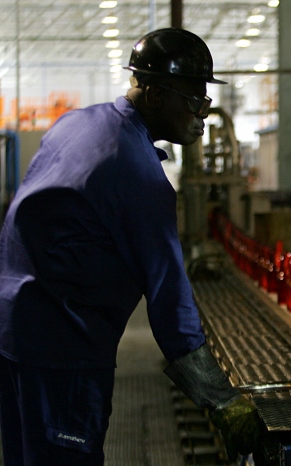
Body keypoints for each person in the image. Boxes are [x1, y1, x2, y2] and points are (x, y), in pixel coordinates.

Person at [0, 28, 261, 465]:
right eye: (194, 101)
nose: (201, 116)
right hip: (63, 351)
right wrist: (219, 399)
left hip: (14, 331)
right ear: (156, 96)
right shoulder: (138, 176)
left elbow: (21, 217)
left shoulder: (76, 124)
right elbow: (169, 298)